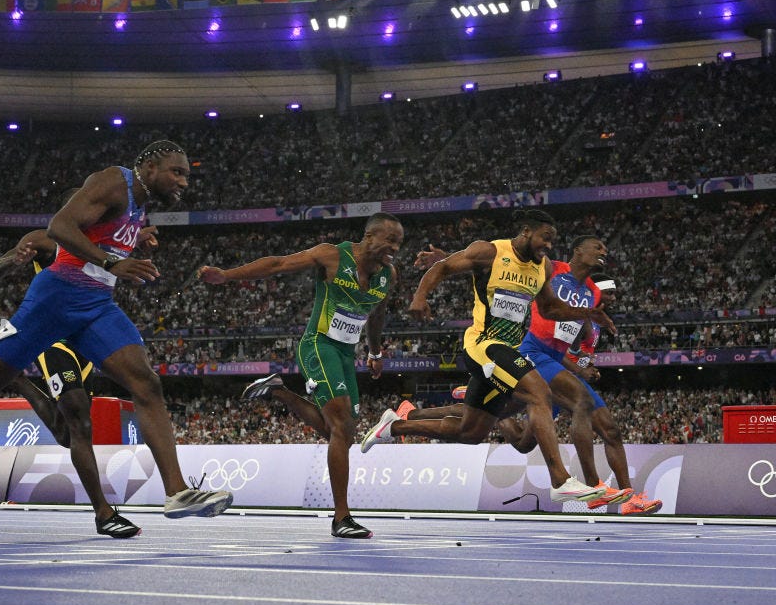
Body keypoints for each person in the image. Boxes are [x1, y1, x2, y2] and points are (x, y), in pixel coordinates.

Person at [0, 140, 232, 529]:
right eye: (178, 172)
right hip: (53, 303)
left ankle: (177, 492)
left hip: (96, 306)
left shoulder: (138, 205)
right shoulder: (113, 181)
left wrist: (130, 241)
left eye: (186, 174)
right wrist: (110, 261)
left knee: (146, 383)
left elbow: (104, 233)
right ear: (151, 167)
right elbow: (59, 226)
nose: (184, 181)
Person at [360, 210, 613, 505]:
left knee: (472, 431)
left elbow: (549, 309)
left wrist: (587, 313)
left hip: (508, 351)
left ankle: (393, 426)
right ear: (527, 232)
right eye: (545, 238)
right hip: (483, 344)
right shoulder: (490, 252)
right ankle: (560, 480)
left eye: (552, 241)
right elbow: (442, 268)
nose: (549, 246)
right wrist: (419, 298)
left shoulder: (541, 268)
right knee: (539, 392)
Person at [197, 212, 404, 539]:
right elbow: (278, 264)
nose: (394, 248)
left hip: (347, 354)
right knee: (341, 427)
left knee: (340, 433)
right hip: (319, 345)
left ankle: (279, 390)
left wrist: (375, 352)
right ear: (370, 236)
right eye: (390, 240)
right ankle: (341, 518)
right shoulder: (332, 255)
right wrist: (227, 276)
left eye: (399, 243)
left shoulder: (388, 275)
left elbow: (376, 313)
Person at [0, 189, 160, 537]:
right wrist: (13, 259)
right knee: (78, 416)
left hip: (86, 339)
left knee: (69, 435)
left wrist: (141, 240)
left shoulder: (107, 240)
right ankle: (103, 513)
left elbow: (115, 258)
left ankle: (16, 378)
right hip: (54, 337)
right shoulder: (47, 239)